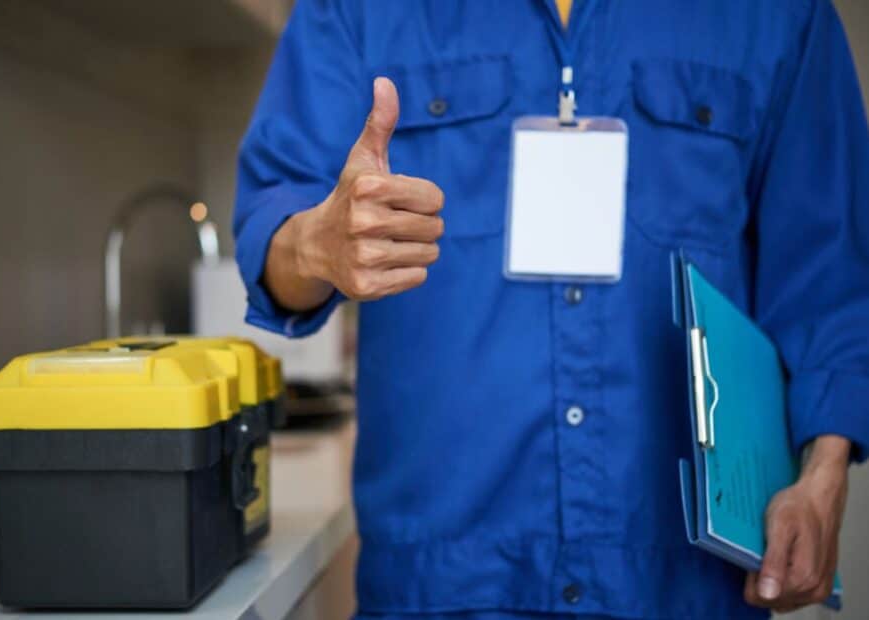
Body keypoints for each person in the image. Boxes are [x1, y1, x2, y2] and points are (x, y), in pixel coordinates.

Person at [233, 1, 869, 618]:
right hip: (438, 584)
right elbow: (271, 228)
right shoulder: (356, 8)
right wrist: (317, 244)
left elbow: (828, 269)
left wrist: (824, 471)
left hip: (691, 581)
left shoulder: (781, 12)